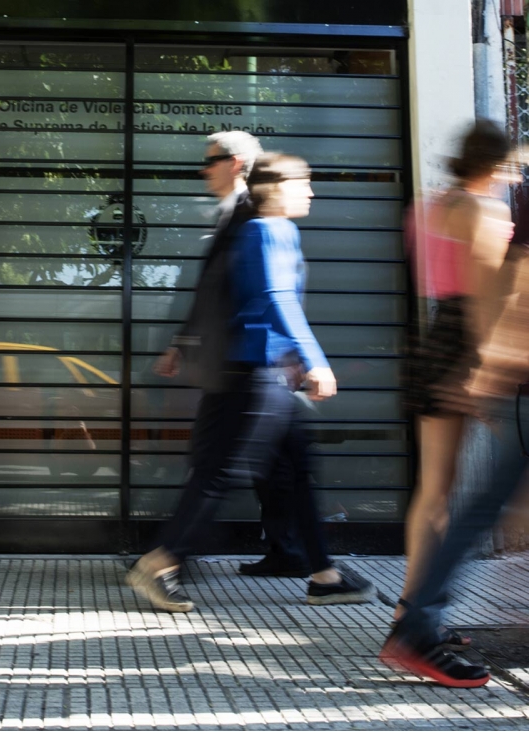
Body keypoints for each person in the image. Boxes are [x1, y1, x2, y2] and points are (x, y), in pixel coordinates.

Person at [127, 153, 376, 612]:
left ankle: (324, 574)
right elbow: (279, 299)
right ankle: (161, 561)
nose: (312, 192)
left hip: (264, 374)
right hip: (253, 376)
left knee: (297, 470)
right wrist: (314, 360)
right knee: (219, 473)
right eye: (305, 182)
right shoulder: (266, 229)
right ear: (277, 188)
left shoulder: (267, 228)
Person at [381, 125, 521, 689]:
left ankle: (410, 610)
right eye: (512, 166)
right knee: (461, 494)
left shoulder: (429, 207)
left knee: (433, 488)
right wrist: (484, 366)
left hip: (432, 334)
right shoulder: (481, 211)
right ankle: (417, 617)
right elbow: (486, 294)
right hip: (466, 341)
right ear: (497, 164)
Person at [155, 130, 310, 578]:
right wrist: (181, 343)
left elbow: (276, 291)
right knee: (278, 462)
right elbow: (212, 289)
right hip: (243, 359)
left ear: (237, 163)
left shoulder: (255, 210)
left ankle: (169, 558)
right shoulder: (231, 211)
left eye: (212, 160)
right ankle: (303, 559)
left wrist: (301, 354)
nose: (204, 169)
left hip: (248, 360)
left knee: (219, 465)